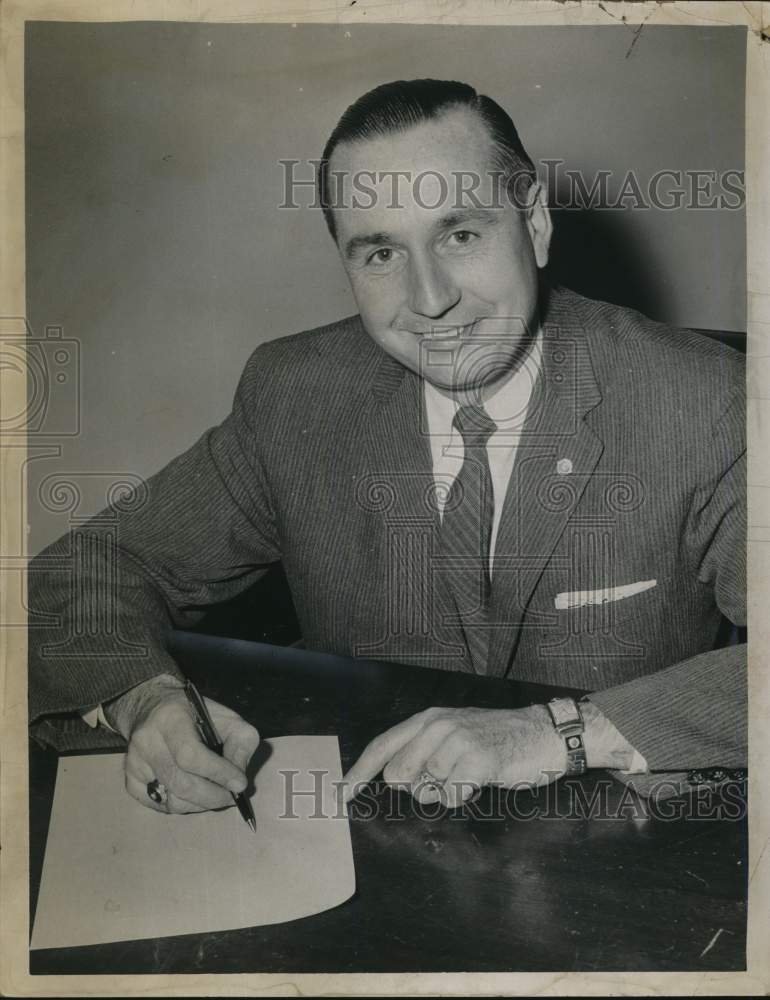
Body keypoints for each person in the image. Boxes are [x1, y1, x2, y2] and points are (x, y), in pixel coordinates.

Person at [28, 79, 746, 815]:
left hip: (617, 844)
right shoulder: (295, 396)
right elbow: (82, 574)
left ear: (533, 224)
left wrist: (561, 732)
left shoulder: (701, 401)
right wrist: (143, 700)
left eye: (459, 235)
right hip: (371, 833)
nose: (429, 298)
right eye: (379, 254)